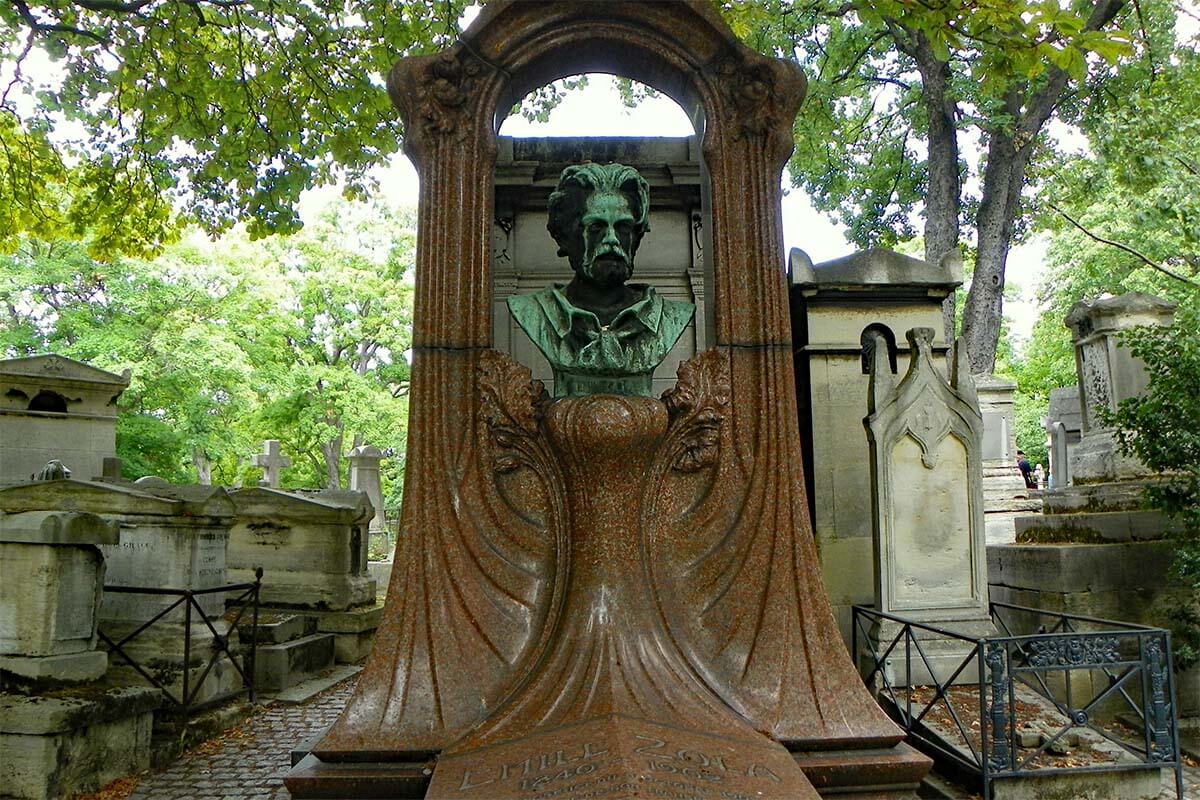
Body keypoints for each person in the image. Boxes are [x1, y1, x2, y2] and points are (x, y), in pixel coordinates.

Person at [506, 163, 695, 398]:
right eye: (596, 227)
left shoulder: (669, 317)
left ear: (636, 239)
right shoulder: (532, 311)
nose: (611, 240)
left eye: (623, 227)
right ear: (564, 237)